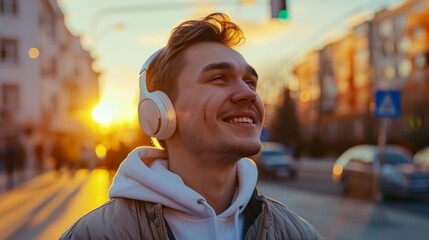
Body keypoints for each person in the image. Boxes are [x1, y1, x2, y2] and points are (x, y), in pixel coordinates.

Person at [60, 13, 322, 240]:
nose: (249, 94)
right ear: (161, 112)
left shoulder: (297, 233)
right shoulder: (95, 234)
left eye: (251, 82)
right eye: (220, 78)